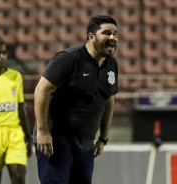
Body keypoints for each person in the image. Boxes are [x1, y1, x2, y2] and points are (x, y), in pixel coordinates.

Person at [33, 15, 119, 184]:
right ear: (91, 37)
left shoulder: (111, 65)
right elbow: (41, 90)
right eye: (107, 33)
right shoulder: (69, 59)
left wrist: (103, 138)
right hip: (57, 142)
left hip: (85, 146)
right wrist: (43, 131)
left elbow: (108, 99)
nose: (112, 38)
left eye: (115, 34)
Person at [0, 39, 32, 184]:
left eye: (4, 53)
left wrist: (28, 138)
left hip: (14, 133)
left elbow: (21, 109)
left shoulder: (15, 77)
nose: (2, 56)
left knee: (18, 176)